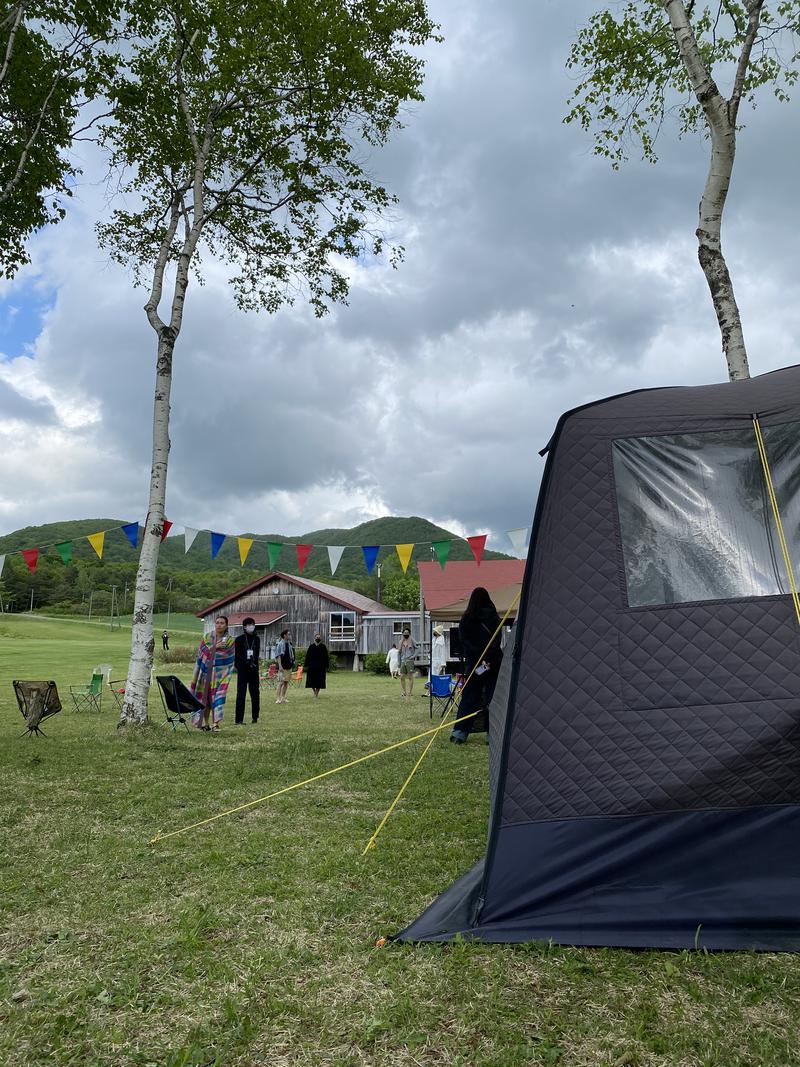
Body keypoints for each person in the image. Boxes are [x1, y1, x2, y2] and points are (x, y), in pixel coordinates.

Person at [450, 588, 502, 745]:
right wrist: (486, 657)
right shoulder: (494, 617)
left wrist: (477, 656)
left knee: (469, 697)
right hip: (492, 664)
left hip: (474, 664)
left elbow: (464, 642)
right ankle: (491, 735)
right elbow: (497, 641)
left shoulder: (466, 618)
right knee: (491, 699)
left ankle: (460, 733)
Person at [190, 615, 235, 731]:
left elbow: (228, 656)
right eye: (217, 622)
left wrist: (214, 650)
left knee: (218, 697)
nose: (219, 625)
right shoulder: (207, 637)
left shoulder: (230, 640)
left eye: (222, 623)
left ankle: (216, 723)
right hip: (206, 672)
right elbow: (202, 652)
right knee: (205, 698)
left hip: (221, 674)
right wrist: (215, 647)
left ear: (226, 626)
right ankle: (205, 723)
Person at [234, 617, 260, 725]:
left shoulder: (257, 639)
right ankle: (239, 719)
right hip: (243, 670)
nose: (251, 626)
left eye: (252, 624)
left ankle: (255, 717)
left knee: (255, 693)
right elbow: (236, 655)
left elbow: (257, 653)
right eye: (249, 625)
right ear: (244, 627)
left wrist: (253, 663)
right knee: (241, 694)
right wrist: (240, 665)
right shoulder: (239, 639)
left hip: (253, 669)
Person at [274, 627, 295, 705]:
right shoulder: (280, 644)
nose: (289, 635)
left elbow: (292, 655)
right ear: (284, 635)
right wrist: (280, 666)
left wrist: (292, 664)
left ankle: (283, 697)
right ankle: (278, 699)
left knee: (286, 682)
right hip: (282, 666)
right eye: (288, 634)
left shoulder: (289, 644)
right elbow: (278, 656)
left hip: (288, 666)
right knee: (281, 682)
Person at [304, 633, 329, 697]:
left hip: (321, 667)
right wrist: (306, 665)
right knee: (311, 680)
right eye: (317, 637)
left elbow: (326, 657)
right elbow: (307, 656)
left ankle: (316, 693)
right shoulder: (311, 646)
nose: (318, 638)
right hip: (312, 667)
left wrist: (326, 666)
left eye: (319, 637)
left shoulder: (323, 647)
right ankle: (314, 692)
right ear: (314, 638)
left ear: (320, 639)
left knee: (320, 680)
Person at [397, 627, 416, 698]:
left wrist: (413, 655)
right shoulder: (400, 642)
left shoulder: (412, 640)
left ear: (409, 633)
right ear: (402, 634)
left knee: (410, 677)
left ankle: (410, 692)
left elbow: (418, 648)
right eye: (404, 633)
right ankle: (404, 692)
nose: (406, 634)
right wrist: (398, 662)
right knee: (401, 677)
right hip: (402, 661)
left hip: (409, 661)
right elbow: (399, 652)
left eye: (407, 633)